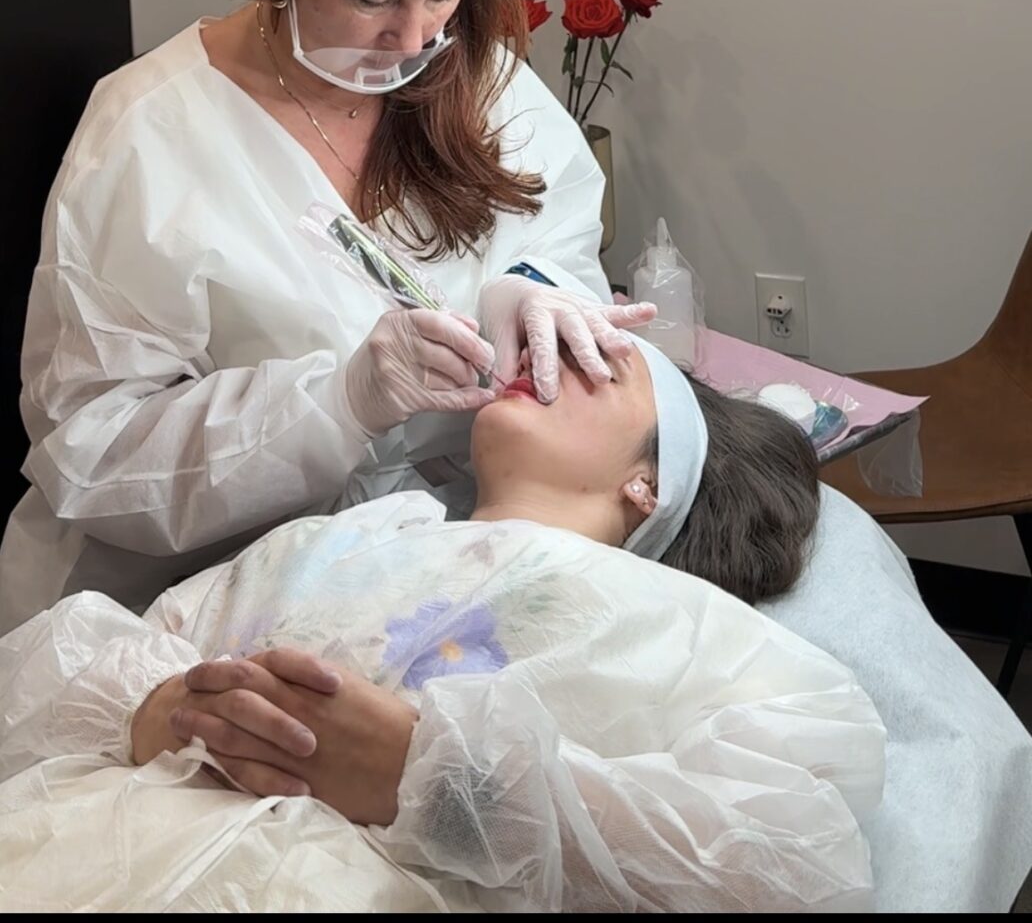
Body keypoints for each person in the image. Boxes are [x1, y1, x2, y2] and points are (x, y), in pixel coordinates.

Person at [0, 0, 644, 631]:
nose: (413, 38)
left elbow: (557, 244)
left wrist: (530, 291)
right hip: (188, 606)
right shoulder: (148, 136)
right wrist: (337, 404)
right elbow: (91, 457)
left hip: (429, 580)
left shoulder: (477, 78)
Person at [0, 342, 884, 912]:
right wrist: (155, 711)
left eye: (602, 364)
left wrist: (434, 782)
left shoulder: (690, 632)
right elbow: (51, 672)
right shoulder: (333, 541)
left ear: (647, 483)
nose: (545, 356)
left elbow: (790, 863)